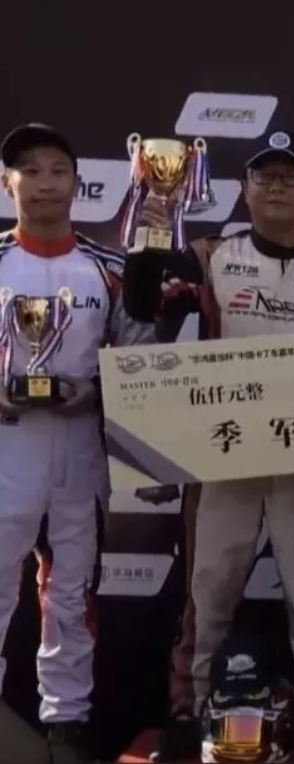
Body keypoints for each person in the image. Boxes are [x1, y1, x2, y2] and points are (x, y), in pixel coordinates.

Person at [119, 130, 294, 761]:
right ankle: (190, 716)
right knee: (207, 594)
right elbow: (143, 308)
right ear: (244, 189)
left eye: (291, 176)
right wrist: (151, 236)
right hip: (225, 460)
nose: (277, 187)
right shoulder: (207, 255)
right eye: (264, 176)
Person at [0, 123, 159, 764]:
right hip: (6, 448)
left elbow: (140, 364)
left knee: (71, 592)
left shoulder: (109, 267)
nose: (45, 182)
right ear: (7, 183)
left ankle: (66, 724)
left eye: (58, 170)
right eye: (30, 170)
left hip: (79, 451)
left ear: (77, 182)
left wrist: (97, 390)